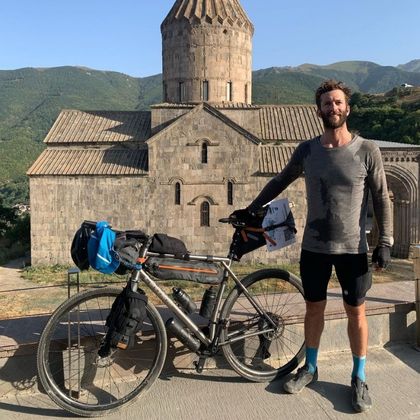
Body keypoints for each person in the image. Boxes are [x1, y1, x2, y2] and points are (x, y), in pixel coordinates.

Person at [235, 79, 393, 413]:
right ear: (317, 110)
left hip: (353, 248)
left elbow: (381, 197)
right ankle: (309, 367)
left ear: (347, 107)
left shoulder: (367, 150)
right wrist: (253, 207)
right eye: (326, 103)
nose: (332, 108)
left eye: (338, 102)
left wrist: (385, 241)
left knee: (356, 312)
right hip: (315, 247)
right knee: (313, 309)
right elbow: (280, 180)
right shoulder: (307, 150)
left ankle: (359, 376)